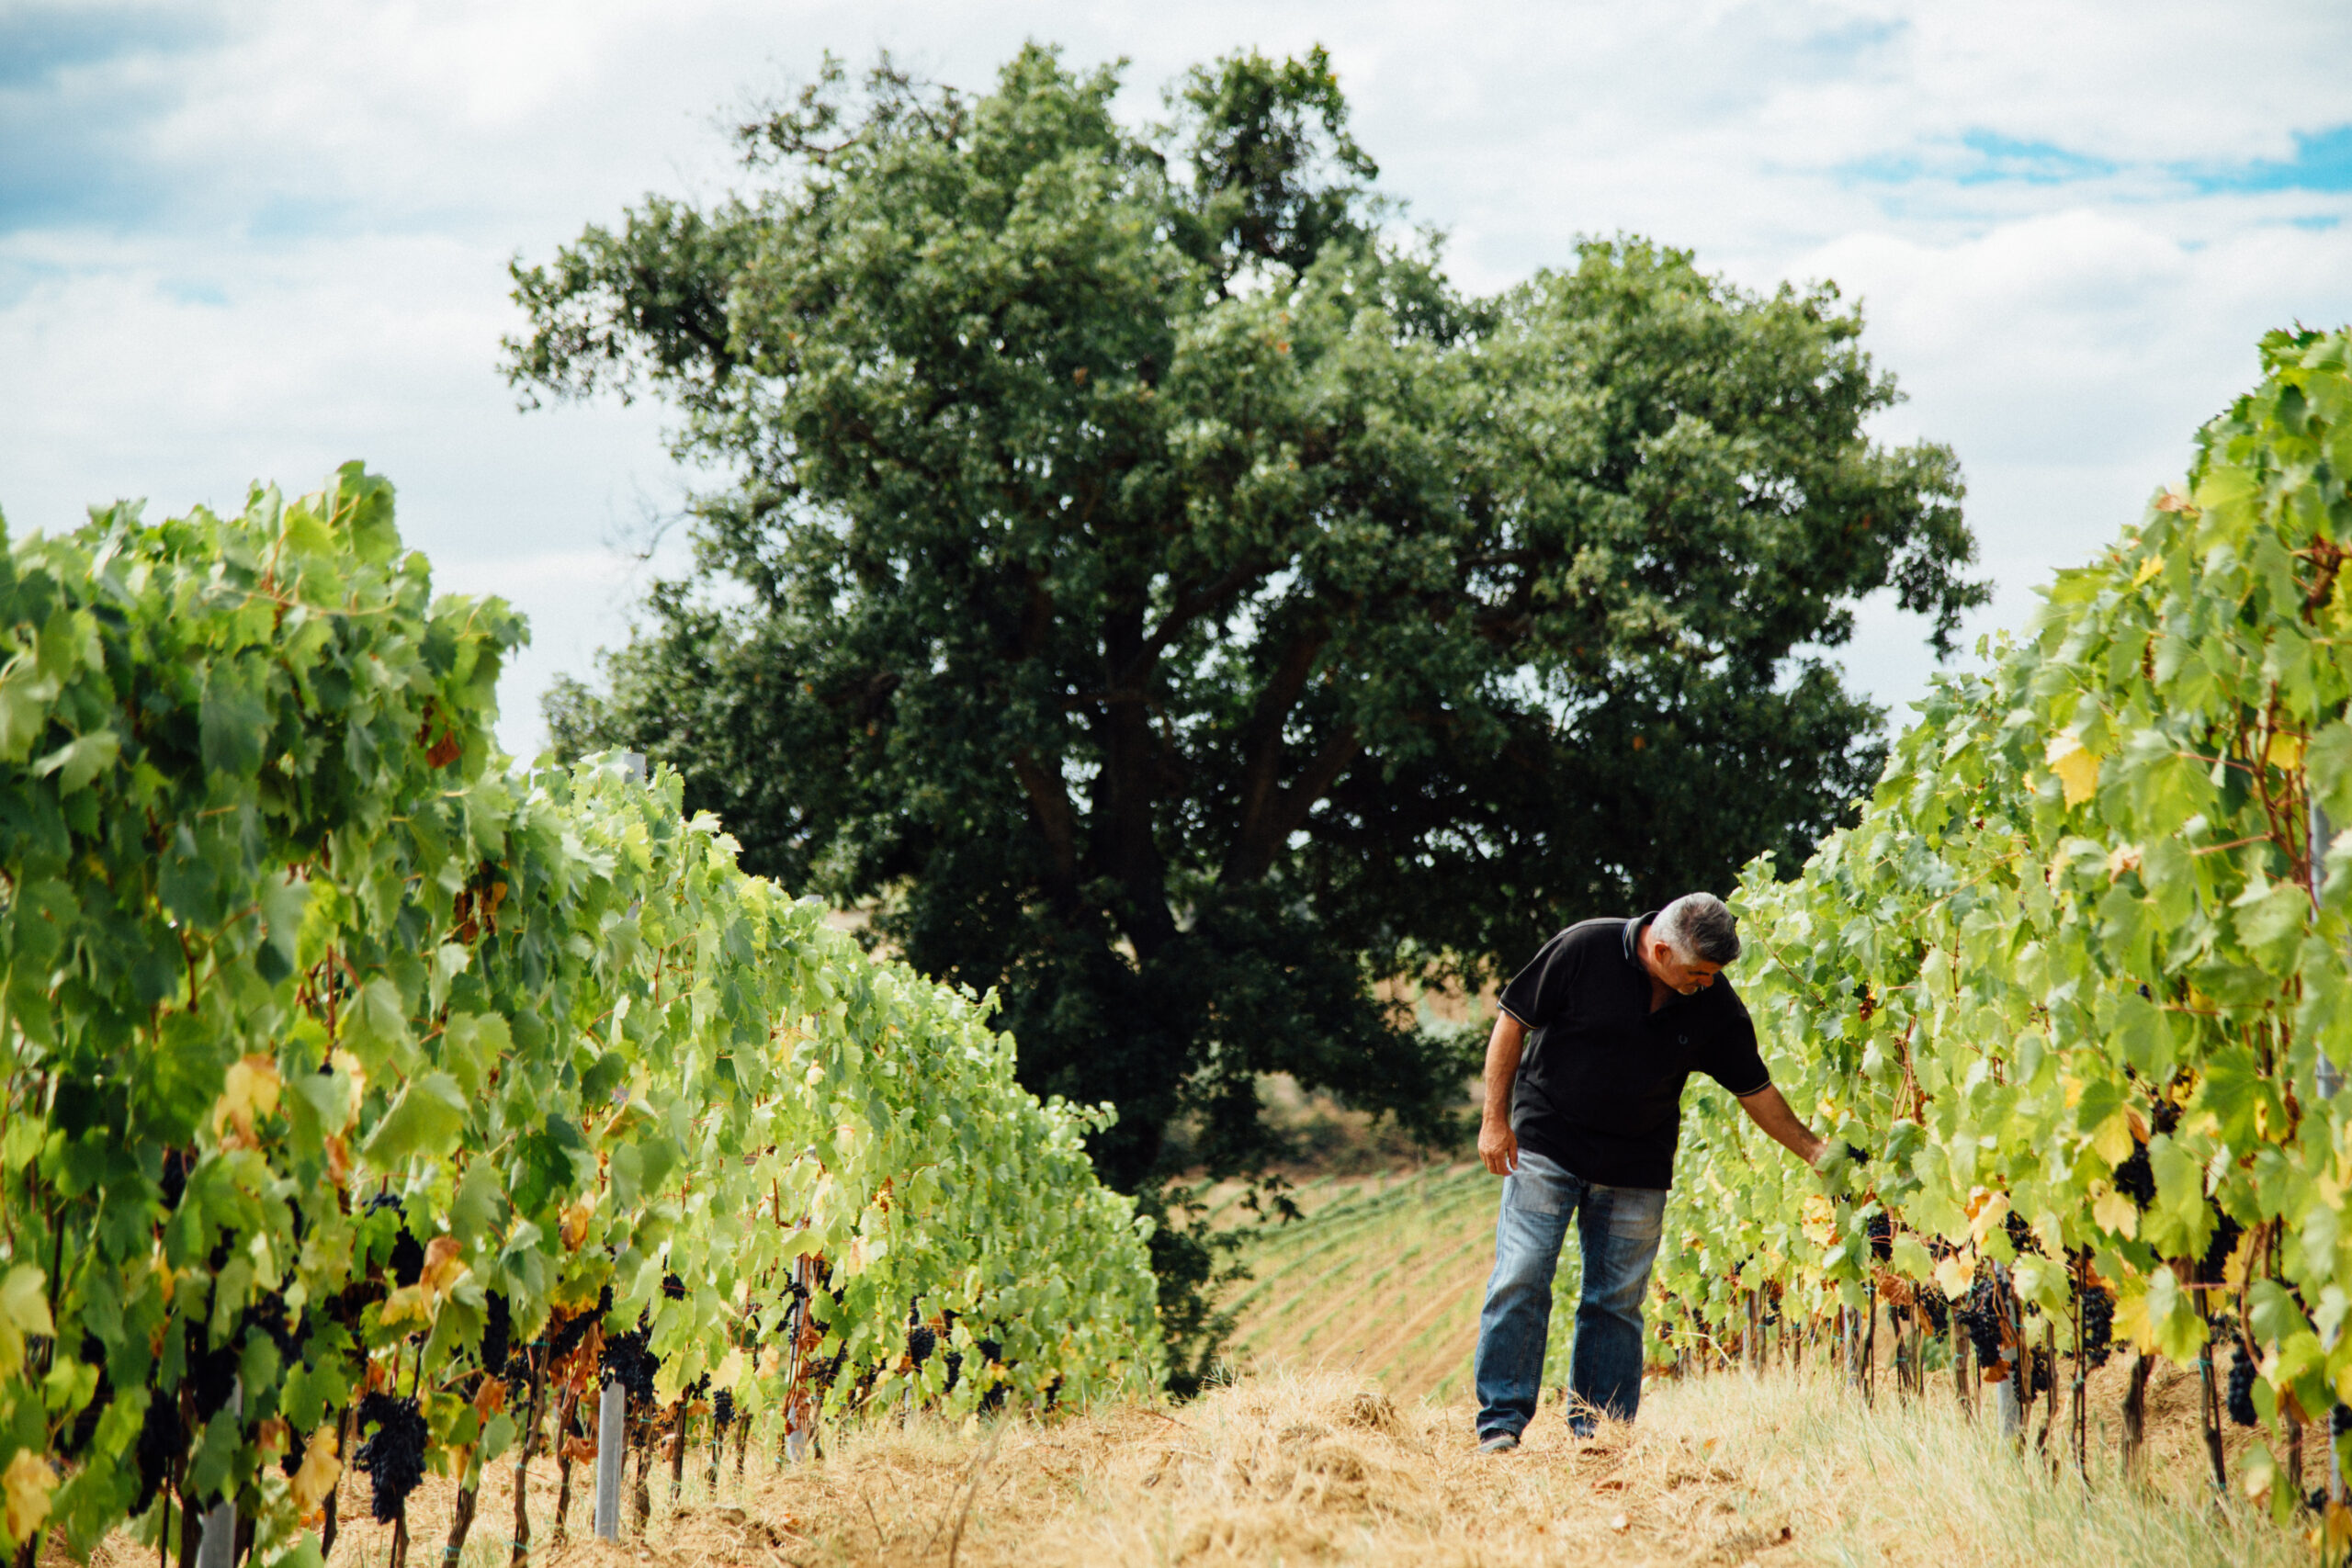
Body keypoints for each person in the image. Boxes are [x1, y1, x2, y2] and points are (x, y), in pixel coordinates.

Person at [1471, 892, 1832, 1453]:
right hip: (1548, 1141)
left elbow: (1754, 1090)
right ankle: (1500, 1424)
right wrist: (1495, 1121)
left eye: (1714, 974)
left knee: (1615, 1299)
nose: (1706, 983)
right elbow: (1511, 1022)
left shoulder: (1712, 1000)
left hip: (1637, 1162)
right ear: (1660, 950)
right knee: (1521, 1275)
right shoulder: (1583, 948)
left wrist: (1813, 1151)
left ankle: (1601, 1432)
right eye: (1698, 972)